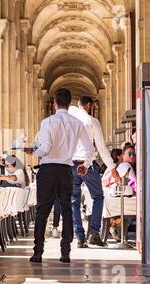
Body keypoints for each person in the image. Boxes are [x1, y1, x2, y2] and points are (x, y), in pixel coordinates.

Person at [25, 88, 94, 264]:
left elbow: (45, 148)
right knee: (67, 210)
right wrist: (85, 165)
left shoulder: (48, 122)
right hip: (66, 171)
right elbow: (89, 148)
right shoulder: (77, 123)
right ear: (69, 103)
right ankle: (65, 252)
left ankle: (38, 252)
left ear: (54, 104)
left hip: (48, 170)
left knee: (42, 211)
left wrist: (32, 152)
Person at [69, 96, 121, 248]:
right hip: (88, 165)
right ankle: (94, 233)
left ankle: (79, 237)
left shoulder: (70, 119)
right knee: (98, 197)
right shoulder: (92, 121)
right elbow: (102, 149)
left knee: (74, 201)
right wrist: (113, 170)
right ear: (90, 106)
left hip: (71, 165)